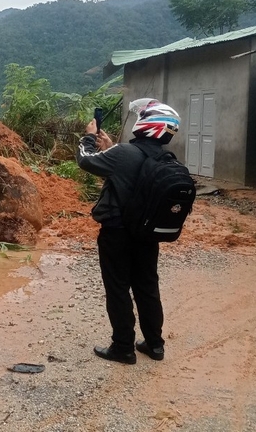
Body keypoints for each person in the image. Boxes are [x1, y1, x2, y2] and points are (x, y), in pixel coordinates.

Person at [76, 98, 181, 364]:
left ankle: (123, 347)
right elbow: (131, 176)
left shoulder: (125, 153)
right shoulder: (165, 158)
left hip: (117, 233)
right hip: (147, 234)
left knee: (118, 287)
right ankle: (155, 345)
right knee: (147, 287)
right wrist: (110, 148)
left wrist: (88, 138)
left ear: (145, 124)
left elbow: (86, 161)